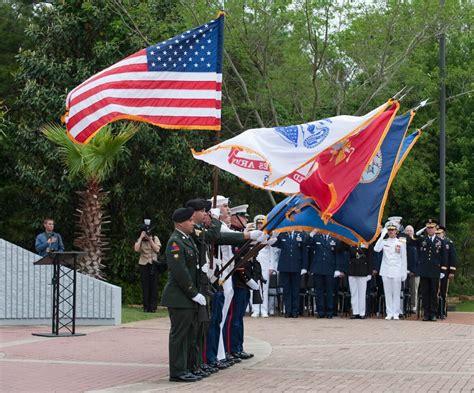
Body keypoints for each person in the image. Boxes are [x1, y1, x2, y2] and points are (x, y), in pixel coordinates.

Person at [161, 207, 205, 383]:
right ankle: (178, 371)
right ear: (180, 223)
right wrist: (193, 293)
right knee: (180, 335)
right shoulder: (175, 242)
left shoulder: (187, 239)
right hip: (180, 296)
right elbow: (180, 272)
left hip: (187, 296)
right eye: (190, 221)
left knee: (190, 334)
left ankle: (187, 367)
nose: (193, 223)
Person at [409, 219, 447, 321]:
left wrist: (443, 271)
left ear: (436, 228)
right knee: (425, 292)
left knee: (434, 293)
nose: (430, 230)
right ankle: (426, 313)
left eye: (432, 228)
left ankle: (433, 313)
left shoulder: (440, 242)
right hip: (424, 270)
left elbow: (444, 257)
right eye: (428, 228)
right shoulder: (422, 240)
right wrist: (419, 231)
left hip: (435, 270)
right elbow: (412, 241)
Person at [374, 222, 407, 320]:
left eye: (393, 230)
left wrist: (404, 272)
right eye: (389, 230)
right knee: (387, 292)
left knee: (396, 293)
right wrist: (382, 236)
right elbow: (376, 249)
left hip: (397, 270)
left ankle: (396, 312)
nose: (391, 232)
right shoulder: (384, 241)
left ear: (396, 231)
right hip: (386, 270)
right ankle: (389, 312)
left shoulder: (401, 242)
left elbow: (403, 258)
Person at [272, 231, 309, 318]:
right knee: (286, 290)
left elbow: (304, 252)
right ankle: (288, 310)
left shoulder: (301, 234)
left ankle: (295, 311)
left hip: (297, 266)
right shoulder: (282, 234)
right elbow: (274, 244)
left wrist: (304, 267)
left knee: (295, 290)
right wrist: (274, 236)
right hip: (285, 267)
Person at [307, 230, 342, 319]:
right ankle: (320, 311)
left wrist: (337, 268)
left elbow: (338, 254)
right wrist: (312, 233)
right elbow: (308, 244)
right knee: (319, 291)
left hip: (330, 268)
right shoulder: (316, 237)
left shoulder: (334, 238)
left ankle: (330, 311)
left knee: (330, 291)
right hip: (318, 268)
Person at [253, 214, 278, 318]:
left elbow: (272, 252)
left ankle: (264, 310)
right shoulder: (253, 234)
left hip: (265, 265)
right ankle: (255, 310)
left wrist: (272, 267)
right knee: (254, 287)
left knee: (265, 288)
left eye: (261, 223)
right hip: (254, 264)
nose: (260, 226)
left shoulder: (269, 235)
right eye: (258, 223)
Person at [340, 243, 373, 319]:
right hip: (352, 269)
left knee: (362, 293)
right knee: (354, 292)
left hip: (363, 269)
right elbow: (341, 249)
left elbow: (370, 258)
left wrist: (369, 272)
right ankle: (355, 311)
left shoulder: (366, 242)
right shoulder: (350, 241)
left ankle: (362, 312)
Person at [134, 220, 161, 313]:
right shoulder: (140, 240)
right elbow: (136, 249)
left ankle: (153, 307)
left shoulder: (155, 238)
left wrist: (150, 240)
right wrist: (141, 238)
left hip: (153, 263)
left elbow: (157, 249)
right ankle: (146, 307)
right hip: (143, 264)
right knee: (145, 286)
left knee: (153, 286)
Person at [436, 225, 457, 319]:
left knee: (443, 292)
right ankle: (435, 310)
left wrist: (452, 271)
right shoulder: (433, 242)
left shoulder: (448, 243)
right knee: (434, 291)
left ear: (443, 233)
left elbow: (453, 257)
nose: (437, 235)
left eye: (439, 233)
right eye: (436, 233)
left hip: (445, 271)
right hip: (434, 271)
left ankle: (442, 311)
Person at [404, 225, 419, 314]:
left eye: (410, 230)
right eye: (407, 231)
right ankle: (405, 306)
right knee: (404, 290)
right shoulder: (402, 243)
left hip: (415, 271)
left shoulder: (416, 242)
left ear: (413, 232)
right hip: (404, 271)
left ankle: (413, 306)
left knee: (414, 290)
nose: (408, 232)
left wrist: (414, 271)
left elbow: (419, 258)